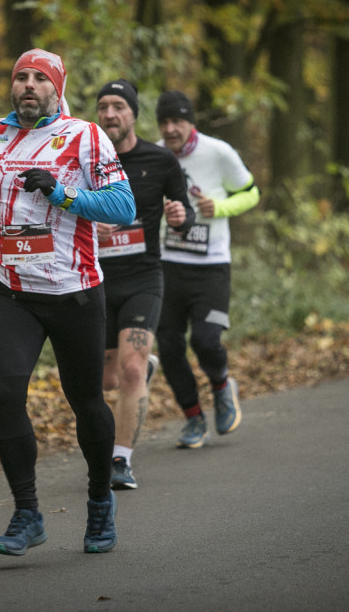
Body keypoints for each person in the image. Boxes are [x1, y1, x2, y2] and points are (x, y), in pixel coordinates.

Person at [0, 49, 136, 556]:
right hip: (12, 289)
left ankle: (100, 500)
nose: (29, 85)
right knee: (6, 392)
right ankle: (26, 512)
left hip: (74, 290)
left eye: (41, 78)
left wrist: (62, 194)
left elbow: (123, 207)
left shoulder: (84, 136)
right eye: (21, 76)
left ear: (57, 89)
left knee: (85, 401)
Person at [94, 79, 196, 489]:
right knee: (108, 381)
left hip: (143, 278)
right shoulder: (85, 159)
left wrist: (179, 219)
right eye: (103, 106)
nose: (110, 114)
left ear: (134, 114)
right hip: (96, 281)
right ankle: (146, 367)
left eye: (119, 106)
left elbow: (185, 213)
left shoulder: (160, 160)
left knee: (131, 368)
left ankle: (120, 462)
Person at [153, 90, 260, 449]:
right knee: (168, 346)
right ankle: (193, 417)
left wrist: (221, 207)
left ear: (191, 122)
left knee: (205, 339)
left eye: (177, 121)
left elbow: (252, 192)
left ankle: (221, 385)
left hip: (211, 264)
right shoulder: (154, 155)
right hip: (167, 264)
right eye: (164, 122)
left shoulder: (218, 152)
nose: (170, 129)